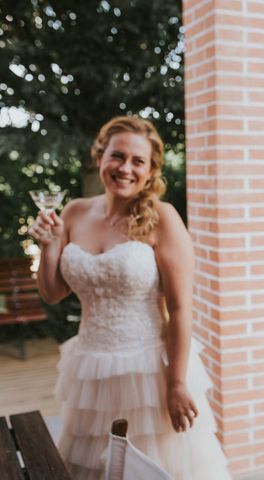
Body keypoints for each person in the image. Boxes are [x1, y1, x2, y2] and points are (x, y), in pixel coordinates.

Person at [28, 116, 231, 480]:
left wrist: (177, 384)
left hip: (149, 373)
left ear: (151, 170)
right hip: (90, 369)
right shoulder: (74, 211)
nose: (125, 168)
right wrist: (47, 247)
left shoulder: (162, 218)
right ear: (100, 157)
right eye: (117, 156)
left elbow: (182, 308)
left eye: (138, 161)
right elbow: (53, 293)